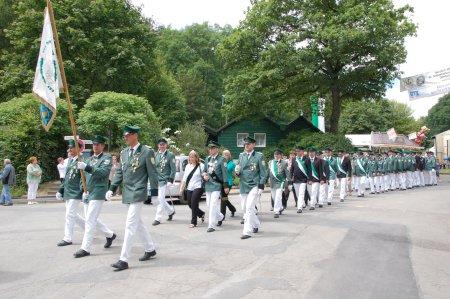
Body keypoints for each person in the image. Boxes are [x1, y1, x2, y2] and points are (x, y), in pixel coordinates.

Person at [107, 125, 159, 271]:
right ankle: (150, 248)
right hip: (127, 192)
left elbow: (153, 174)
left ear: (135, 135)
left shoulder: (147, 152)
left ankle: (123, 259)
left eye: (128, 135)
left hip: (138, 191)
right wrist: (112, 188)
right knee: (137, 223)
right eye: (124, 135)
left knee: (130, 224)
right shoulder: (124, 153)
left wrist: (154, 194)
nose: (125, 137)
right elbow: (120, 173)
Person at [73, 135, 116, 258]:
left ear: (102, 146)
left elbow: (102, 173)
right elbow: (83, 176)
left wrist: (87, 167)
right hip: (88, 192)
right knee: (90, 219)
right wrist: (83, 189)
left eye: (98, 144)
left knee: (90, 220)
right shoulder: (89, 159)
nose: (95, 146)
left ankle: (85, 248)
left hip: (98, 192)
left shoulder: (106, 159)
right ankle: (109, 234)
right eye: (94, 144)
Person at [56, 140, 86, 246]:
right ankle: (88, 228)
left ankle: (67, 238)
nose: (70, 149)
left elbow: (84, 178)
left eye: (72, 147)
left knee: (69, 215)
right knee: (73, 215)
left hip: (76, 192)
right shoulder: (70, 161)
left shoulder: (81, 160)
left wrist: (83, 191)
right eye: (69, 147)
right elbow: (67, 178)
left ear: (78, 148)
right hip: (68, 192)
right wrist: (61, 190)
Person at [235, 136, 266, 239]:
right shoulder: (241, 156)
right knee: (245, 208)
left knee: (249, 208)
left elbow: (263, 172)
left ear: (253, 145)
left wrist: (261, 185)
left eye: (248, 144)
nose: (246, 146)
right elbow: (239, 171)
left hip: (254, 184)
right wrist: (237, 172)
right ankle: (256, 224)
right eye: (245, 144)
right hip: (243, 184)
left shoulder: (258, 156)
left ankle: (247, 231)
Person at [202, 141, 229, 232]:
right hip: (208, 184)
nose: (210, 150)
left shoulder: (222, 159)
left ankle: (211, 225)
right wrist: (204, 175)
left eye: (212, 148)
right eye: (209, 148)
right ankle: (220, 216)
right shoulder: (207, 159)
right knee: (209, 205)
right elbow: (205, 170)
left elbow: (225, 174)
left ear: (217, 148)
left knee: (213, 204)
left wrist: (226, 186)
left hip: (217, 184)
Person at [152, 138, 176, 226]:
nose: (161, 146)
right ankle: (170, 211)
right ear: (158, 145)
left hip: (165, 180)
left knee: (160, 198)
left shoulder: (170, 155)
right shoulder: (155, 155)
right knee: (160, 198)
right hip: (157, 179)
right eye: (160, 145)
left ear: (166, 145)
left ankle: (158, 218)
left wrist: (170, 180)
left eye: (163, 145)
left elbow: (173, 169)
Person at [180, 150, 205, 228]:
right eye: (190, 157)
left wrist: (205, 176)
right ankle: (201, 213)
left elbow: (204, 175)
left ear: (196, 157)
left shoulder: (201, 166)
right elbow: (184, 178)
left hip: (198, 187)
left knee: (194, 203)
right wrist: (181, 188)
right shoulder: (187, 166)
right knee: (190, 204)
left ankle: (193, 222)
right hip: (189, 187)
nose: (191, 158)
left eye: (192, 157)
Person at [291, 146, 311, 213]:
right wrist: (291, 177)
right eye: (297, 151)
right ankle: (303, 204)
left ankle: (299, 208)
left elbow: (309, 170)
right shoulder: (294, 159)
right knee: (297, 194)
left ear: (302, 151)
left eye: (299, 151)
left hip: (303, 179)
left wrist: (310, 179)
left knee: (301, 193)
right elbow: (292, 169)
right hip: (296, 179)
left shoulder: (307, 159)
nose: (297, 152)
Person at [221, 149, 237, 219]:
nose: (224, 156)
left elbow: (235, 173)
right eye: (223, 154)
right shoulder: (221, 163)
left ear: (229, 156)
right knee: (224, 198)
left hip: (229, 183)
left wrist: (238, 178)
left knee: (223, 198)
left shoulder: (232, 164)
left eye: (226, 155)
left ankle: (222, 216)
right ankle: (232, 209)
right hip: (221, 182)